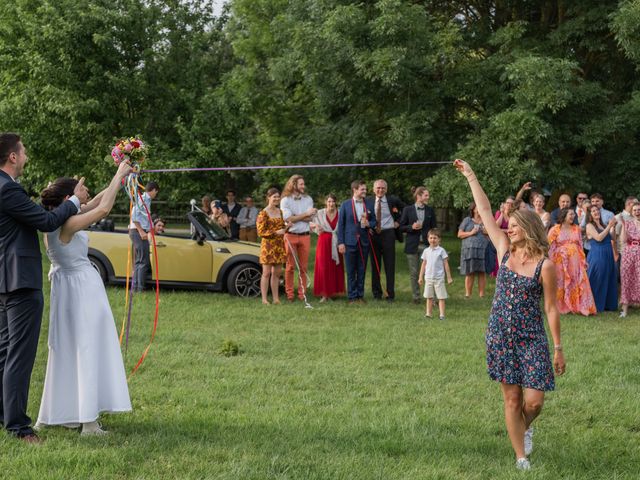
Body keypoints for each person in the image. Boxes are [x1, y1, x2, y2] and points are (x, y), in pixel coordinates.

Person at [454, 159, 565, 472]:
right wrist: (470, 175)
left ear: (527, 229)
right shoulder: (503, 247)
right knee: (513, 399)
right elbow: (486, 211)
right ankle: (521, 457)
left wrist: (558, 347)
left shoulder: (546, 265)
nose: (508, 228)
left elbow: (551, 308)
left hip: (532, 337)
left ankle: (524, 426)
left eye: (514, 225)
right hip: (500, 335)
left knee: (534, 402)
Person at [0, 133, 89, 443]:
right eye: (22, 152)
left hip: (4, 281)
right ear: (12, 156)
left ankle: (4, 415)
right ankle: (19, 426)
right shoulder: (7, 190)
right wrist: (75, 201)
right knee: (19, 356)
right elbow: (47, 221)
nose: (25, 157)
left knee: (5, 352)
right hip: (18, 281)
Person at [36, 160, 133, 435]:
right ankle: (88, 423)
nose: (87, 193)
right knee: (87, 346)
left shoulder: (57, 220)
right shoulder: (67, 224)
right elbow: (102, 208)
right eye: (81, 190)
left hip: (68, 289)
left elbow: (98, 200)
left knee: (71, 349)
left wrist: (120, 181)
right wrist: (118, 173)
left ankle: (68, 413)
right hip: (80, 289)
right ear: (69, 199)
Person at [547, 208, 596, 316]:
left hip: (575, 262)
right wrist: (553, 260)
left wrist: (583, 260)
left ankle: (579, 306)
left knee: (577, 281)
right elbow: (550, 246)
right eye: (570, 214)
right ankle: (563, 306)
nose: (573, 216)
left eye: (573, 214)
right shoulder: (555, 229)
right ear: (564, 215)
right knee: (562, 282)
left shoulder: (576, 229)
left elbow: (580, 245)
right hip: (560, 262)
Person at [337, 180, 376, 304]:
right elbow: (341, 225)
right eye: (362, 189)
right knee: (351, 270)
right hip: (349, 242)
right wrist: (341, 242)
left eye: (365, 189)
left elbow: (375, 221)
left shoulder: (369, 204)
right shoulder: (345, 204)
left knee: (362, 269)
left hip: (364, 241)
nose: (365, 191)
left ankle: (360, 295)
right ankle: (352, 297)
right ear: (354, 190)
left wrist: (369, 224)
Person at [280, 175, 316, 302]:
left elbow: (310, 218)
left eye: (303, 184)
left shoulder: (308, 199)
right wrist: (305, 214)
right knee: (290, 267)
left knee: (303, 267)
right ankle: (289, 294)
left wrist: (296, 216)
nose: (303, 186)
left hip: (305, 235)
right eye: (301, 184)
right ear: (293, 184)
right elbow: (288, 219)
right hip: (290, 236)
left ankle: (302, 294)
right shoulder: (285, 200)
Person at [399, 187, 437, 304]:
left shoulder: (430, 210)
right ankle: (416, 297)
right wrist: (411, 227)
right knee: (414, 273)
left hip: (427, 246)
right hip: (412, 245)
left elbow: (434, 228)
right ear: (418, 196)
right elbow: (401, 227)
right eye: (426, 195)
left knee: (429, 273)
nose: (428, 197)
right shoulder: (407, 210)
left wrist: (434, 242)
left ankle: (432, 298)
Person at [369, 179, 405, 302]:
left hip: (389, 234)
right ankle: (376, 294)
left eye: (383, 188)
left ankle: (390, 294)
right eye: (378, 188)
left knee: (389, 266)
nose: (380, 190)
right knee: (375, 265)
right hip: (374, 235)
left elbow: (405, 209)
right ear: (374, 189)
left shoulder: (393, 200)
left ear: (386, 189)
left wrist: (398, 222)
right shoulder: (368, 201)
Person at [256, 188, 287, 305]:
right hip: (268, 246)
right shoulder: (263, 213)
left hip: (279, 246)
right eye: (274, 197)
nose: (277, 199)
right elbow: (260, 231)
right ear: (268, 197)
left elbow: (282, 227)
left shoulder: (281, 212)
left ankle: (276, 298)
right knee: (266, 273)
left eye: (278, 197)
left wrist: (287, 227)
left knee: (277, 273)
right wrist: (276, 233)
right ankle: (264, 299)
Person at [311, 194, 345, 302]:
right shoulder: (320, 213)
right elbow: (309, 222)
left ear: (336, 202)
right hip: (324, 242)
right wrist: (316, 226)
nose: (331, 204)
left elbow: (343, 227)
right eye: (329, 201)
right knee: (323, 267)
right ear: (326, 202)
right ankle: (324, 294)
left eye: (333, 201)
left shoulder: (340, 213)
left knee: (334, 266)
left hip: (336, 242)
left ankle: (332, 292)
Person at [585, 206, 618, 312]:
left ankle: (607, 305)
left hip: (608, 254)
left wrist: (613, 227)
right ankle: (594, 305)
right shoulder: (589, 225)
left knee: (608, 277)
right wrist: (609, 226)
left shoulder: (603, 225)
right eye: (593, 211)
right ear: (590, 214)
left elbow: (612, 238)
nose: (596, 212)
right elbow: (599, 238)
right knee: (598, 278)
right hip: (598, 255)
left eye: (597, 210)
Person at [128, 181, 159, 292]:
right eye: (156, 192)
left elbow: (145, 217)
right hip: (137, 231)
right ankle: (140, 288)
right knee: (143, 261)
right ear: (154, 190)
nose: (156, 194)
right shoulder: (144, 199)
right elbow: (134, 215)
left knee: (139, 260)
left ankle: (135, 288)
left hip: (137, 231)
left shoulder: (146, 200)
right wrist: (141, 231)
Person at [418, 228, 453, 320]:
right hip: (428, 278)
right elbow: (423, 264)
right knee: (429, 297)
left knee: (441, 297)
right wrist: (420, 277)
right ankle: (428, 314)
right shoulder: (426, 251)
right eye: (431, 238)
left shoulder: (441, 251)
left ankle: (442, 315)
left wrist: (449, 277)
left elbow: (446, 264)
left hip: (439, 278)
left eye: (435, 238)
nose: (432, 240)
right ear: (428, 239)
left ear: (439, 239)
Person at [458, 202, 490, 298]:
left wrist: (486, 231)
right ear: (473, 209)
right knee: (470, 272)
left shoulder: (486, 221)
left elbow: (493, 234)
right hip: (469, 250)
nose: (480, 209)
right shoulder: (467, 220)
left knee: (482, 272)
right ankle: (468, 294)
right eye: (478, 208)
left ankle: (481, 294)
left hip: (483, 249)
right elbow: (459, 234)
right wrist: (471, 233)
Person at [619, 201, 640, 318]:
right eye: (635, 210)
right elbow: (623, 240)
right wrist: (623, 225)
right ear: (631, 212)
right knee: (626, 278)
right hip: (629, 253)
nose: (637, 212)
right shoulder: (627, 223)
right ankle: (625, 309)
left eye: (639, 210)